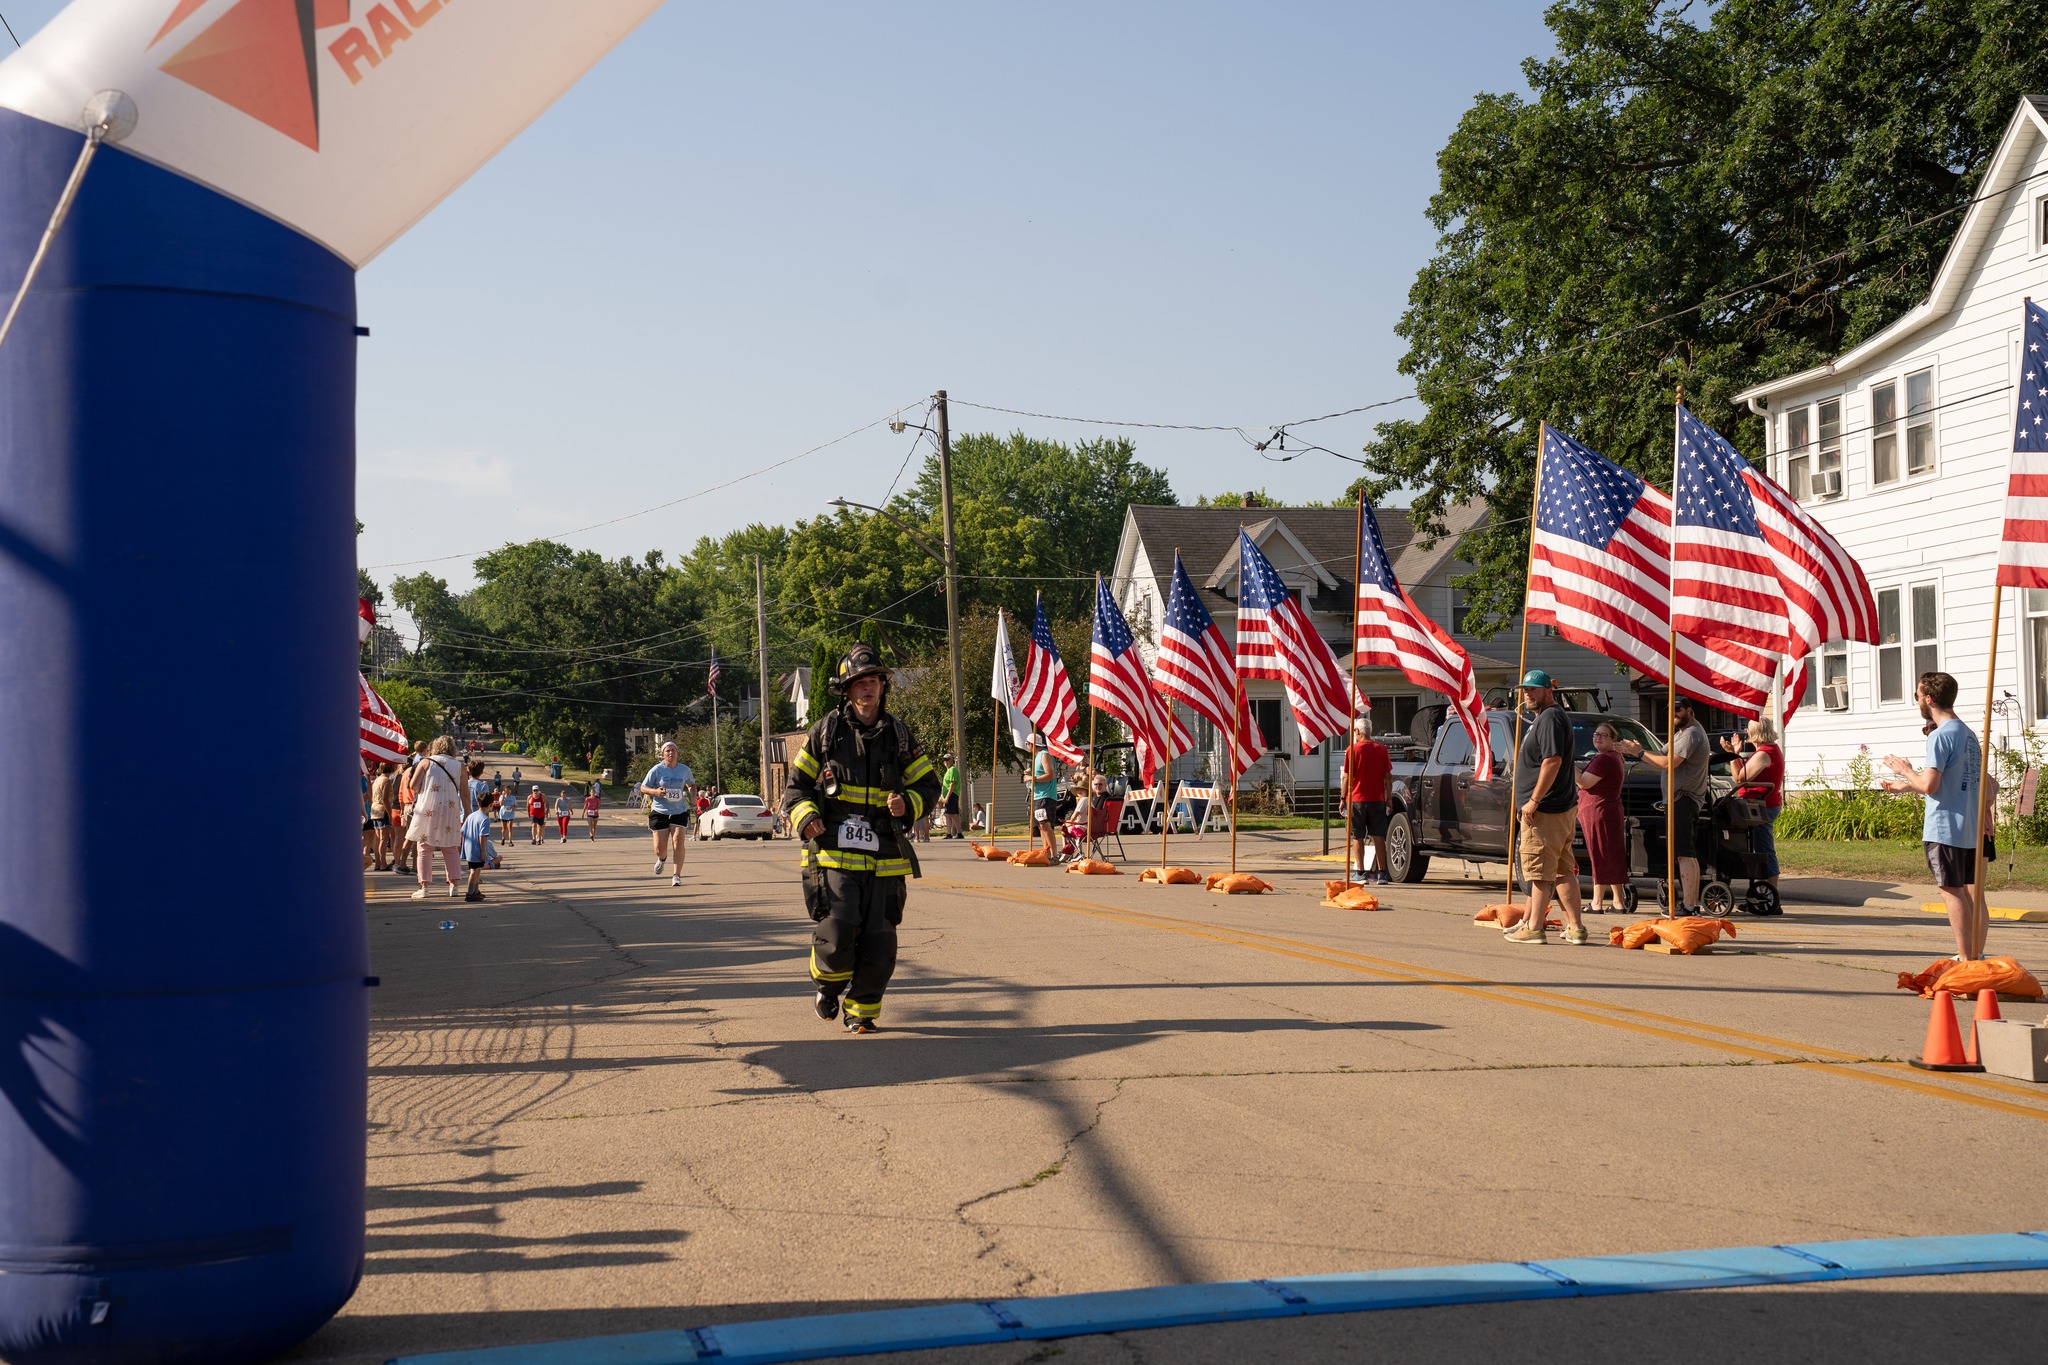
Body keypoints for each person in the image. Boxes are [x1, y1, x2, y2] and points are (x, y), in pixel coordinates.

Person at [783, 642, 941, 1034]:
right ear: (847, 691)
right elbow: (795, 789)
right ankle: (827, 986)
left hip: (886, 856)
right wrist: (807, 818)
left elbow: (929, 785)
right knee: (838, 934)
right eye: (860, 682)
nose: (868, 688)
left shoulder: (899, 735)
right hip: (833, 852)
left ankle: (861, 1012)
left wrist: (907, 804)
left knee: (881, 943)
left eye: (873, 681)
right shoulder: (825, 733)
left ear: (882, 686)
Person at [1883, 672, 1991, 961]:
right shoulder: (1967, 734)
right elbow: (1956, 784)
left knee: (1951, 892)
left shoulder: (1939, 736)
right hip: (1968, 827)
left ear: (1929, 699)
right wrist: (1909, 785)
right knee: (1965, 893)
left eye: (1918, 695)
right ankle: (1973, 955)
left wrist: (1905, 770)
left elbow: (1930, 785)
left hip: (1945, 828)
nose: (1917, 700)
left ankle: (1966, 959)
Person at [1507, 669, 1586, 944]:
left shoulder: (1551, 717)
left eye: (1534, 689)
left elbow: (1552, 760)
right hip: (1559, 807)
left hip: (1547, 810)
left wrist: (1533, 800)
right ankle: (1576, 928)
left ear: (1548, 691)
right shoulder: (1546, 717)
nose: (1528, 694)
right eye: (1525, 690)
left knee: (1540, 872)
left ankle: (1534, 928)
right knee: (1563, 871)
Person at [1621, 695, 1710, 916]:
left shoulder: (1691, 734)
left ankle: (1689, 906)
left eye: (1678, 709)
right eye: (1670, 711)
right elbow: (1659, 755)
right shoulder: (1681, 734)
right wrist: (1636, 749)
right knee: (1687, 853)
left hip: (1684, 799)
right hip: (1680, 800)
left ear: (1689, 710)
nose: (1674, 715)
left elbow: (1668, 763)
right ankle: (1691, 904)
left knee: (1684, 854)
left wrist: (1638, 753)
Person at [1724, 718, 1785, 895]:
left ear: (1755, 732)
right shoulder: (1767, 751)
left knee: (1764, 849)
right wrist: (1736, 754)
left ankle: (1770, 894)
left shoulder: (1764, 753)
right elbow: (1742, 775)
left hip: (1760, 807)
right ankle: (1762, 892)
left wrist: (1732, 755)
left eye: (1748, 729)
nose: (1746, 732)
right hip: (1759, 805)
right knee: (1760, 848)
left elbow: (1739, 778)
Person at [405, 737, 470, 901]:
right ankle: (453, 885)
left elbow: (413, 785)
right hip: (450, 808)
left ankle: (424, 887)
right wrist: (468, 813)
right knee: (451, 846)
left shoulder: (426, 762)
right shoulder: (460, 766)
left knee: (424, 847)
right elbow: (464, 793)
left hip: (428, 807)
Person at [1575, 723, 1628, 913]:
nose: (1598, 737)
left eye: (1604, 735)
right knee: (1610, 855)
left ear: (1613, 740)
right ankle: (1618, 902)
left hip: (1598, 811)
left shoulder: (1605, 759)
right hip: (1608, 810)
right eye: (1596, 734)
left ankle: (1597, 903)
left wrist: (1566, 762)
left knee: (1599, 855)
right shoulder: (1613, 757)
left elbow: (1584, 782)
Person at [638, 741, 696, 886]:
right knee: (659, 849)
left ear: (677, 753)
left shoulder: (684, 770)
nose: (671, 753)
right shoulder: (657, 770)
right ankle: (662, 859)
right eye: (668, 751)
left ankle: (677, 875)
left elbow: (691, 784)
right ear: (663, 754)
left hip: (679, 811)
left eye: (673, 750)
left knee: (678, 842)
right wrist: (655, 792)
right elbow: (643, 788)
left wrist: (693, 796)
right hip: (660, 812)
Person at [1344, 715, 1391, 884]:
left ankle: (1360, 872)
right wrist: (1389, 799)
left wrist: (1342, 798)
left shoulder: (1352, 750)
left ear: (1357, 731)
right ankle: (1382, 873)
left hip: (1357, 799)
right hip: (1377, 799)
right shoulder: (1382, 749)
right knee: (1379, 836)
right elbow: (1388, 777)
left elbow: (1346, 777)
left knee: (1357, 836)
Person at [461, 792, 497, 902]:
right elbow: (482, 836)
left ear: (478, 803)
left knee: (477, 870)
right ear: (491, 805)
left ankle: (476, 891)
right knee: (474, 871)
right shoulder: (485, 819)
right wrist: (483, 852)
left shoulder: (471, 816)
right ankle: (469, 893)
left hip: (469, 847)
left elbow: (462, 831)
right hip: (477, 849)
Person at [1030, 745, 1062, 859]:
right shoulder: (1037, 756)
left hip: (1046, 796)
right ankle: (1046, 853)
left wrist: (1032, 778)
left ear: (1031, 744)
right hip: (1038, 796)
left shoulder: (1044, 755)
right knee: (1040, 826)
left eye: (1027, 744)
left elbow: (1050, 775)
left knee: (1045, 825)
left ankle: (1054, 855)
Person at [366, 762, 396, 872]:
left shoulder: (377, 779)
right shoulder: (387, 780)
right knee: (383, 838)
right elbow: (385, 798)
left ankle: (378, 863)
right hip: (383, 810)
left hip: (375, 809)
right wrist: (390, 813)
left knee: (378, 838)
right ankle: (383, 863)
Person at [938, 754, 961, 838]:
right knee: (954, 815)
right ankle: (959, 833)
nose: (946, 762)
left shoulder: (952, 769)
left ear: (952, 760)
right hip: (952, 795)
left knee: (948, 814)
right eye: (944, 760)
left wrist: (947, 797)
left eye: (947, 760)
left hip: (952, 794)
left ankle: (949, 834)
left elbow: (952, 784)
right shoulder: (949, 770)